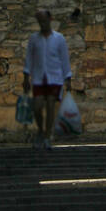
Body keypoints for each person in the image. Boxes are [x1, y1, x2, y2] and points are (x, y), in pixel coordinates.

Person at [23, 8, 72, 151]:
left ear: (50, 20)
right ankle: (41, 130)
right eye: (40, 21)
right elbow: (29, 58)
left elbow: (64, 59)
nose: (42, 23)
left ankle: (47, 136)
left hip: (55, 77)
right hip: (39, 77)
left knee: (51, 104)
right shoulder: (34, 39)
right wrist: (26, 76)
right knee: (37, 106)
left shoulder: (59, 39)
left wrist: (67, 78)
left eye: (44, 20)